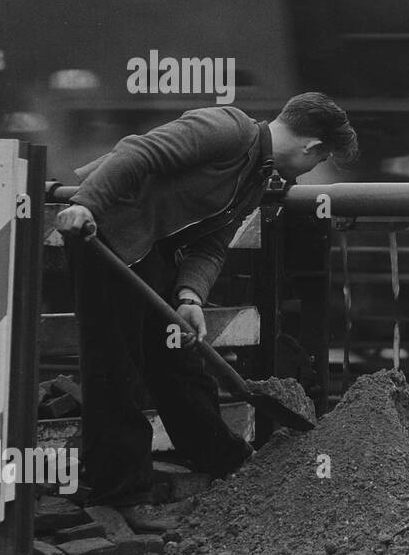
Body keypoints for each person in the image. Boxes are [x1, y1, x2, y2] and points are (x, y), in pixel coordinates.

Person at [54, 92, 358, 510]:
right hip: (105, 235)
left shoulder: (260, 177)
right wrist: (85, 205)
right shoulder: (228, 129)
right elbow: (138, 152)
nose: (311, 171)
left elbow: (212, 245)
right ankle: (119, 493)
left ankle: (225, 463)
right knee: (114, 364)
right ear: (312, 147)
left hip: (150, 253)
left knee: (178, 358)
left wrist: (190, 296)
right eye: (319, 162)